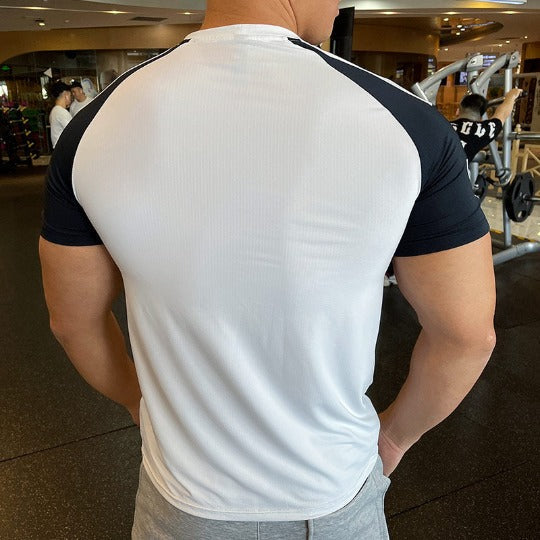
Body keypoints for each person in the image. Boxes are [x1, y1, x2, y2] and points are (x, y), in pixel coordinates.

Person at [39, 1, 496, 538]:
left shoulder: (92, 127)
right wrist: (393, 438)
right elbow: (466, 336)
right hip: (331, 495)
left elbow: (73, 323)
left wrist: (142, 405)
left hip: (181, 503)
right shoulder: (407, 123)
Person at [450, 89, 523, 162]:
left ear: (457, 111)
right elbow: (502, 114)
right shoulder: (482, 130)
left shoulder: (446, 127)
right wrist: (511, 96)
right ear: (481, 118)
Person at [48, 81, 72, 148]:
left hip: (58, 148)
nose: (71, 99)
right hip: (63, 149)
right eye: (70, 95)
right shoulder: (61, 112)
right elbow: (73, 131)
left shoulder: (54, 110)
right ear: (66, 95)